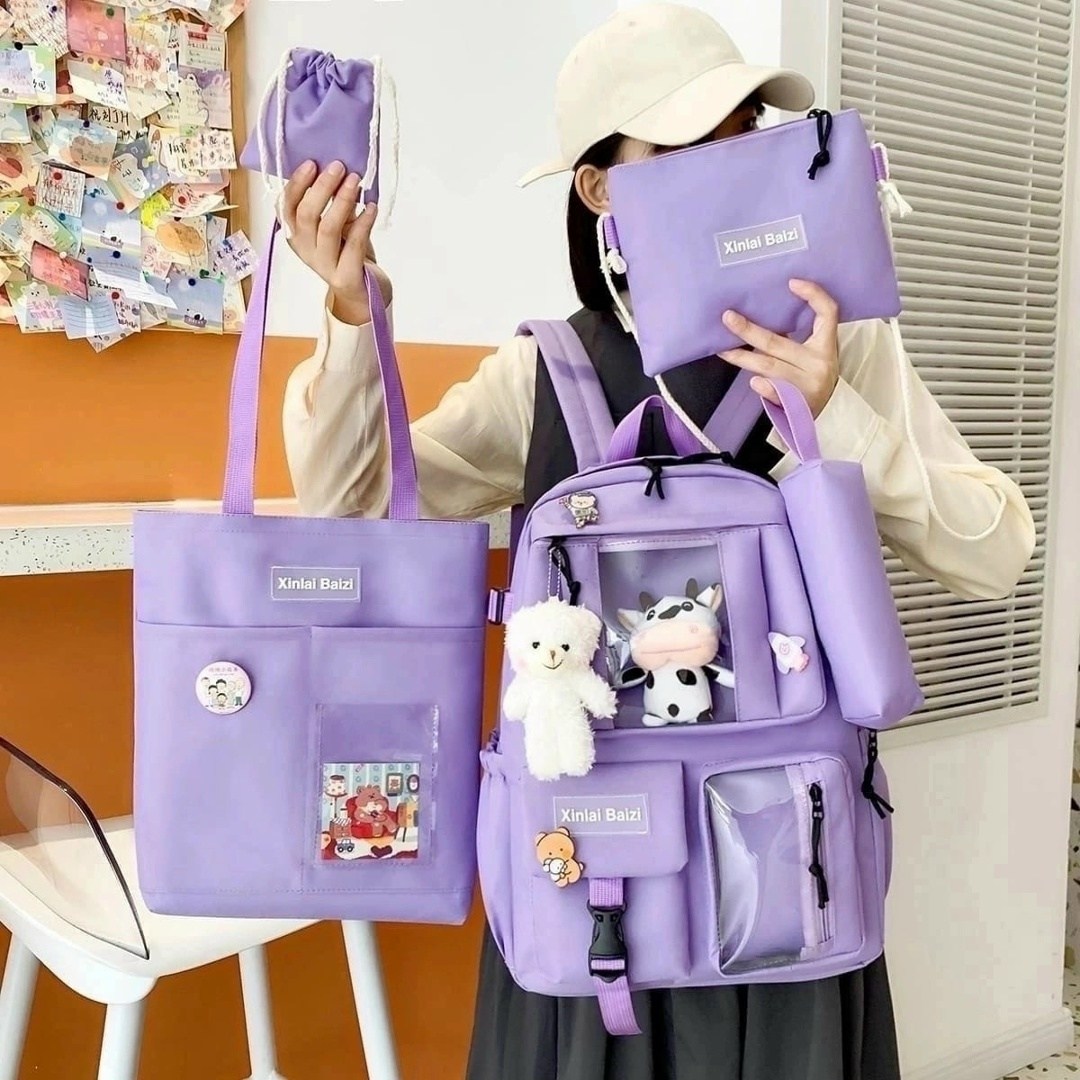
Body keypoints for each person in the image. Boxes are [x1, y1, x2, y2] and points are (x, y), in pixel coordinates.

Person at [278, 5, 1035, 1077]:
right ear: (600, 189)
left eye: (743, 133)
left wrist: (835, 418)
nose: (727, 165)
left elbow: (994, 551)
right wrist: (354, 314)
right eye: (685, 144)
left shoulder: (841, 346)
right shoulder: (545, 371)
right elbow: (351, 508)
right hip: (590, 867)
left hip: (784, 868)